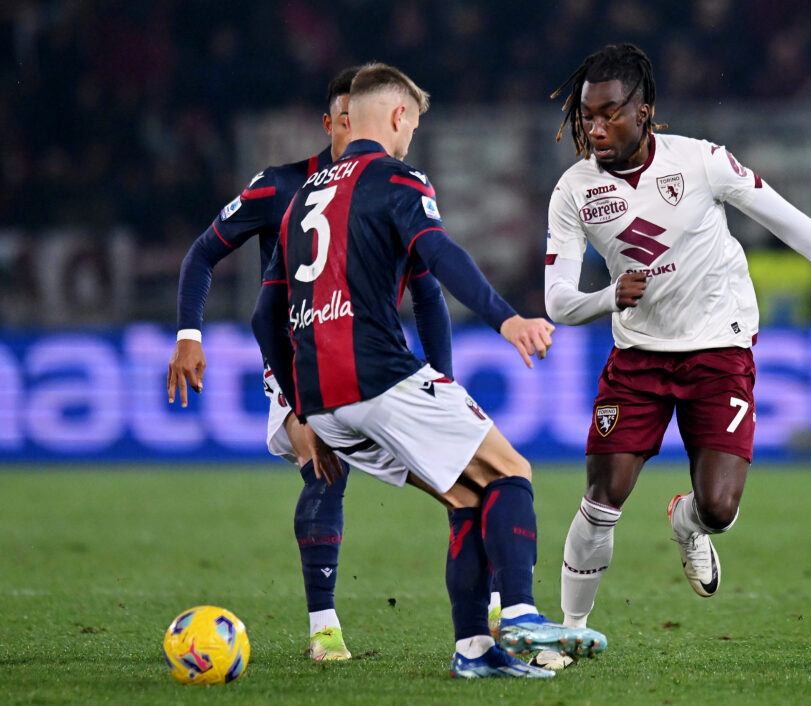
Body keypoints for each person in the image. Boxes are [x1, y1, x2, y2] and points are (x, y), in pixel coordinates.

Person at [251, 62, 607, 678]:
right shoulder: (397, 178)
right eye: (412, 125)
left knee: (467, 495)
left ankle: (474, 650)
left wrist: (304, 410)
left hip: (323, 404)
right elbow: (438, 253)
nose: (410, 137)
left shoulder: (300, 197)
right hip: (379, 377)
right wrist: (505, 319)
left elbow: (265, 317)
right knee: (512, 471)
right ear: (397, 116)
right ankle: (520, 613)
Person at [544, 44, 811, 629]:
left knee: (718, 507)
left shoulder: (701, 162)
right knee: (602, 500)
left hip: (719, 348)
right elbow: (557, 301)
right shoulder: (573, 190)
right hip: (638, 357)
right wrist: (609, 297)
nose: (596, 129)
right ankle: (571, 632)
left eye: (610, 114)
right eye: (588, 116)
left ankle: (687, 524)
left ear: (644, 111)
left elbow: (788, 220)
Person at [167, 68, 454, 661]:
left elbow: (428, 294)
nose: (356, 127)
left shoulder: (393, 185)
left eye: (362, 116)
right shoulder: (281, 186)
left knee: (457, 473)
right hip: (298, 358)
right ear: (329, 123)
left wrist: (445, 381)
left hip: (375, 359)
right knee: (324, 466)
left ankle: (497, 610)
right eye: (344, 118)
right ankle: (325, 631)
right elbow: (203, 254)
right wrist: (189, 333)